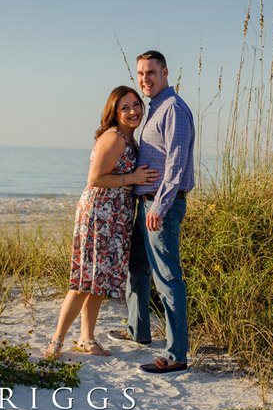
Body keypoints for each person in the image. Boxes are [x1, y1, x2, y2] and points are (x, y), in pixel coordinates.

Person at [44, 86, 159, 359]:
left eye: (135, 105)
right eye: (125, 107)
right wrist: (132, 179)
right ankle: (56, 341)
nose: (133, 111)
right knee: (85, 281)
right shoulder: (115, 138)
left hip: (115, 216)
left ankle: (86, 338)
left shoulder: (130, 139)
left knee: (99, 280)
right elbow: (94, 179)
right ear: (114, 112)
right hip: (99, 215)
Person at [108, 50, 195, 374]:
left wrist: (159, 205)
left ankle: (176, 355)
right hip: (146, 205)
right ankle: (138, 331)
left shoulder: (173, 109)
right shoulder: (155, 109)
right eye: (141, 73)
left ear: (166, 72)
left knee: (168, 278)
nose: (145, 79)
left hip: (162, 206)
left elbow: (177, 162)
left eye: (151, 73)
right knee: (138, 268)